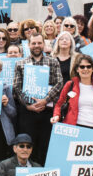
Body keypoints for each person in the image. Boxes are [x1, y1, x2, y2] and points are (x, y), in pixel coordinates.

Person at [12, 33, 63, 166]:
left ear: (44, 44)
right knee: (28, 145)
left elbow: (59, 83)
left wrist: (45, 100)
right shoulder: (20, 63)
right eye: (33, 43)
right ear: (28, 45)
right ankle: (29, 173)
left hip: (47, 110)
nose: (36, 46)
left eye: (39, 43)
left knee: (45, 145)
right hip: (28, 112)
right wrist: (28, 105)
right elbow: (17, 87)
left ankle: (44, 174)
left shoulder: (53, 61)